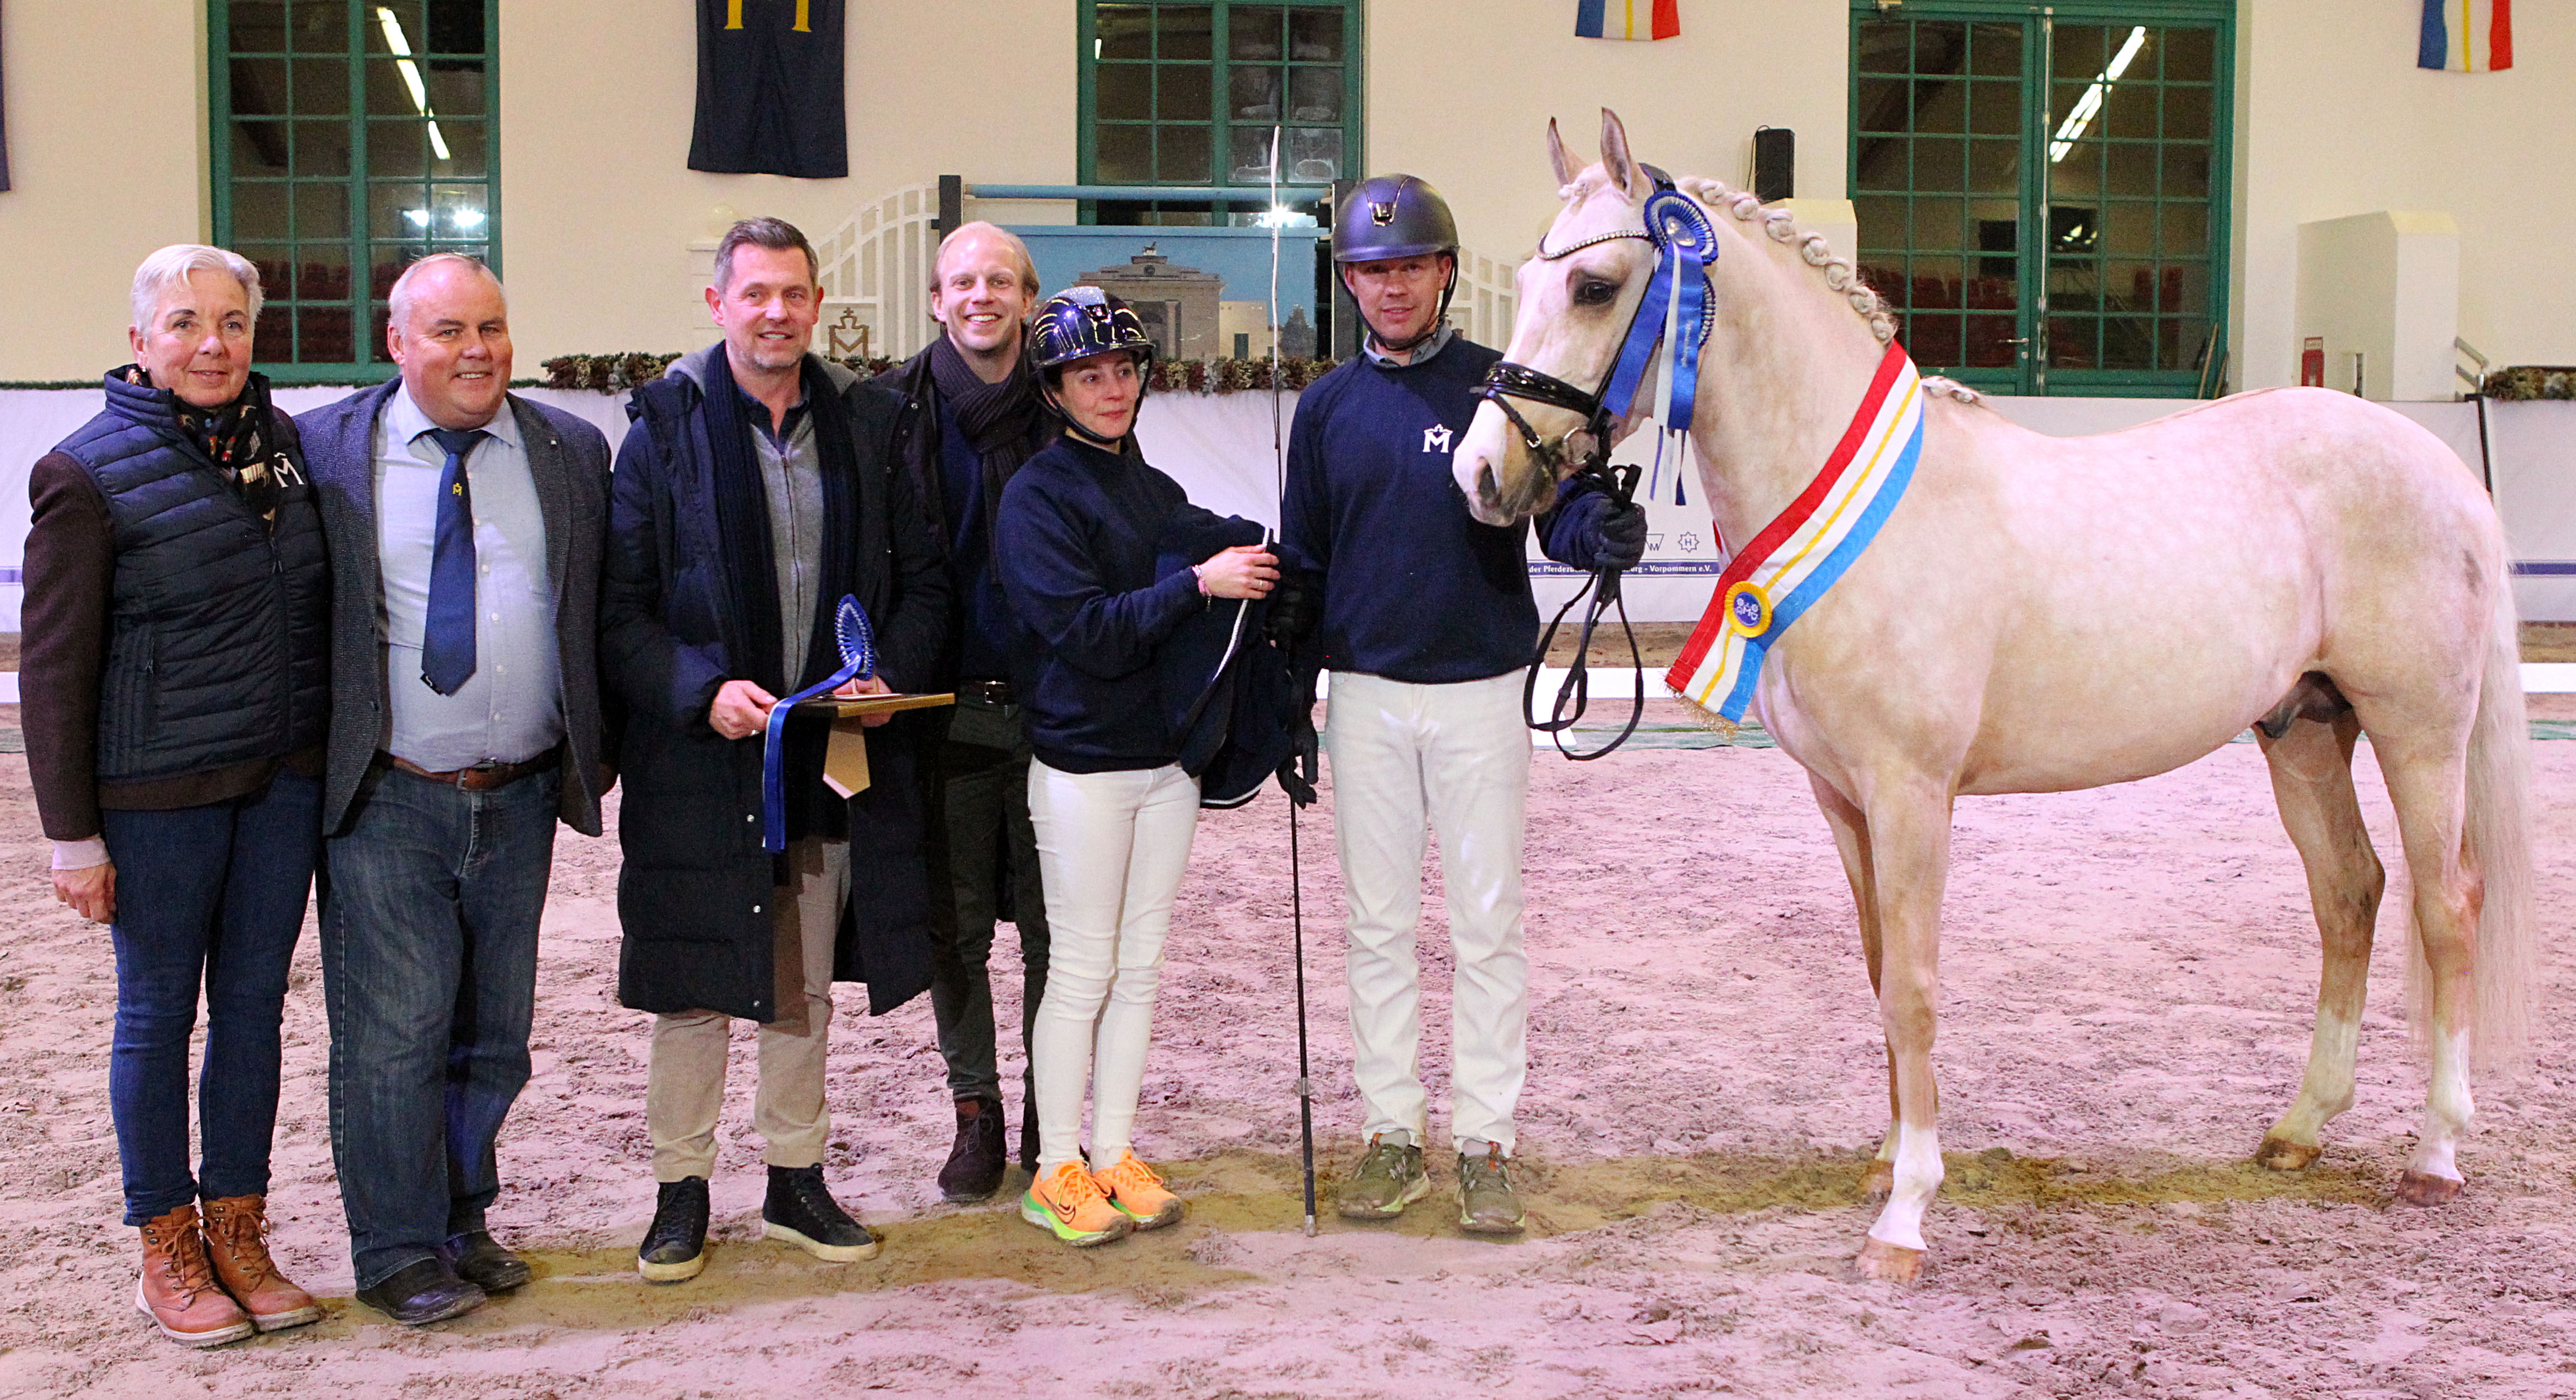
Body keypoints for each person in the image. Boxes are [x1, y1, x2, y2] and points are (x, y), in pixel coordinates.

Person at [1277, 175, 1646, 1234]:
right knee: (1377, 929)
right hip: (1368, 700)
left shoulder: (1503, 381)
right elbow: (1304, 561)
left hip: (1483, 694)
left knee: (1488, 928)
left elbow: (1557, 519)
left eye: (1410, 267)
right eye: (1372, 270)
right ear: (1350, 283)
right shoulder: (1328, 408)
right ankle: (1393, 1136)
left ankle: (1487, 1140)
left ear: (1444, 272)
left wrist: (1597, 538)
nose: (1391, 286)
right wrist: (1288, 696)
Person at [602, 217, 948, 1283]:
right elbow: (620, 607)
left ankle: (797, 1178)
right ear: (719, 303)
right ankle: (681, 1191)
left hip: (822, 755)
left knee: (800, 979)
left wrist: (886, 669)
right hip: (706, 755)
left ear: (815, 302)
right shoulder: (663, 427)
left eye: (794, 294)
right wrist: (699, 691)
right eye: (754, 294)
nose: (776, 312)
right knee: (698, 982)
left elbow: (927, 577)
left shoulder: (871, 423)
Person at [22, 245, 329, 1347]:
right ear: (142, 339)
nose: (214, 343)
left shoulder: (283, 447)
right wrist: (72, 835)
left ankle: (239, 1230)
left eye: (235, 323)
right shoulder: (84, 472)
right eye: (189, 322)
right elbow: (54, 668)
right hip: (155, 797)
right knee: (156, 1013)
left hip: (277, 784)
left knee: (254, 1011)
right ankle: (167, 1242)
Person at [300, 253, 614, 1325]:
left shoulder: (569, 450)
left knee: (495, 1028)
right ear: (397, 342)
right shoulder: (329, 453)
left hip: (521, 791)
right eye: (447, 332)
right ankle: (393, 1246)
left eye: (491, 327)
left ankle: (460, 1215)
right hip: (389, 791)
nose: (475, 350)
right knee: (396, 1029)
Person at [996, 287, 1279, 1248]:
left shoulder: (1148, 486)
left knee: (1142, 967)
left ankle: (1114, 1153)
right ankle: (1054, 1167)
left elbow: (1205, 541)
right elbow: (1085, 632)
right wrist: (1197, 584)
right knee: (1080, 971)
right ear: (1055, 389)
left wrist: (1269, 554)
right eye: (1089, 375)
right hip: (1081, 769)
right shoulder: (1035, 496)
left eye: (1122, 370)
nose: (1111, 389)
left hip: (1166, 766)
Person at [879, 222, 1058, 1201]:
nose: (981, 294)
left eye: (1000, 279)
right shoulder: (891, 412)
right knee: (954, 932)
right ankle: (975, 1109)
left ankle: (1048, 1111)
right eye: (962, 281)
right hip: (940, 710)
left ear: (1029, 299)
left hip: (1048, 711)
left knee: (1050, 930)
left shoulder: (1073, 400)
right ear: (938, 303)